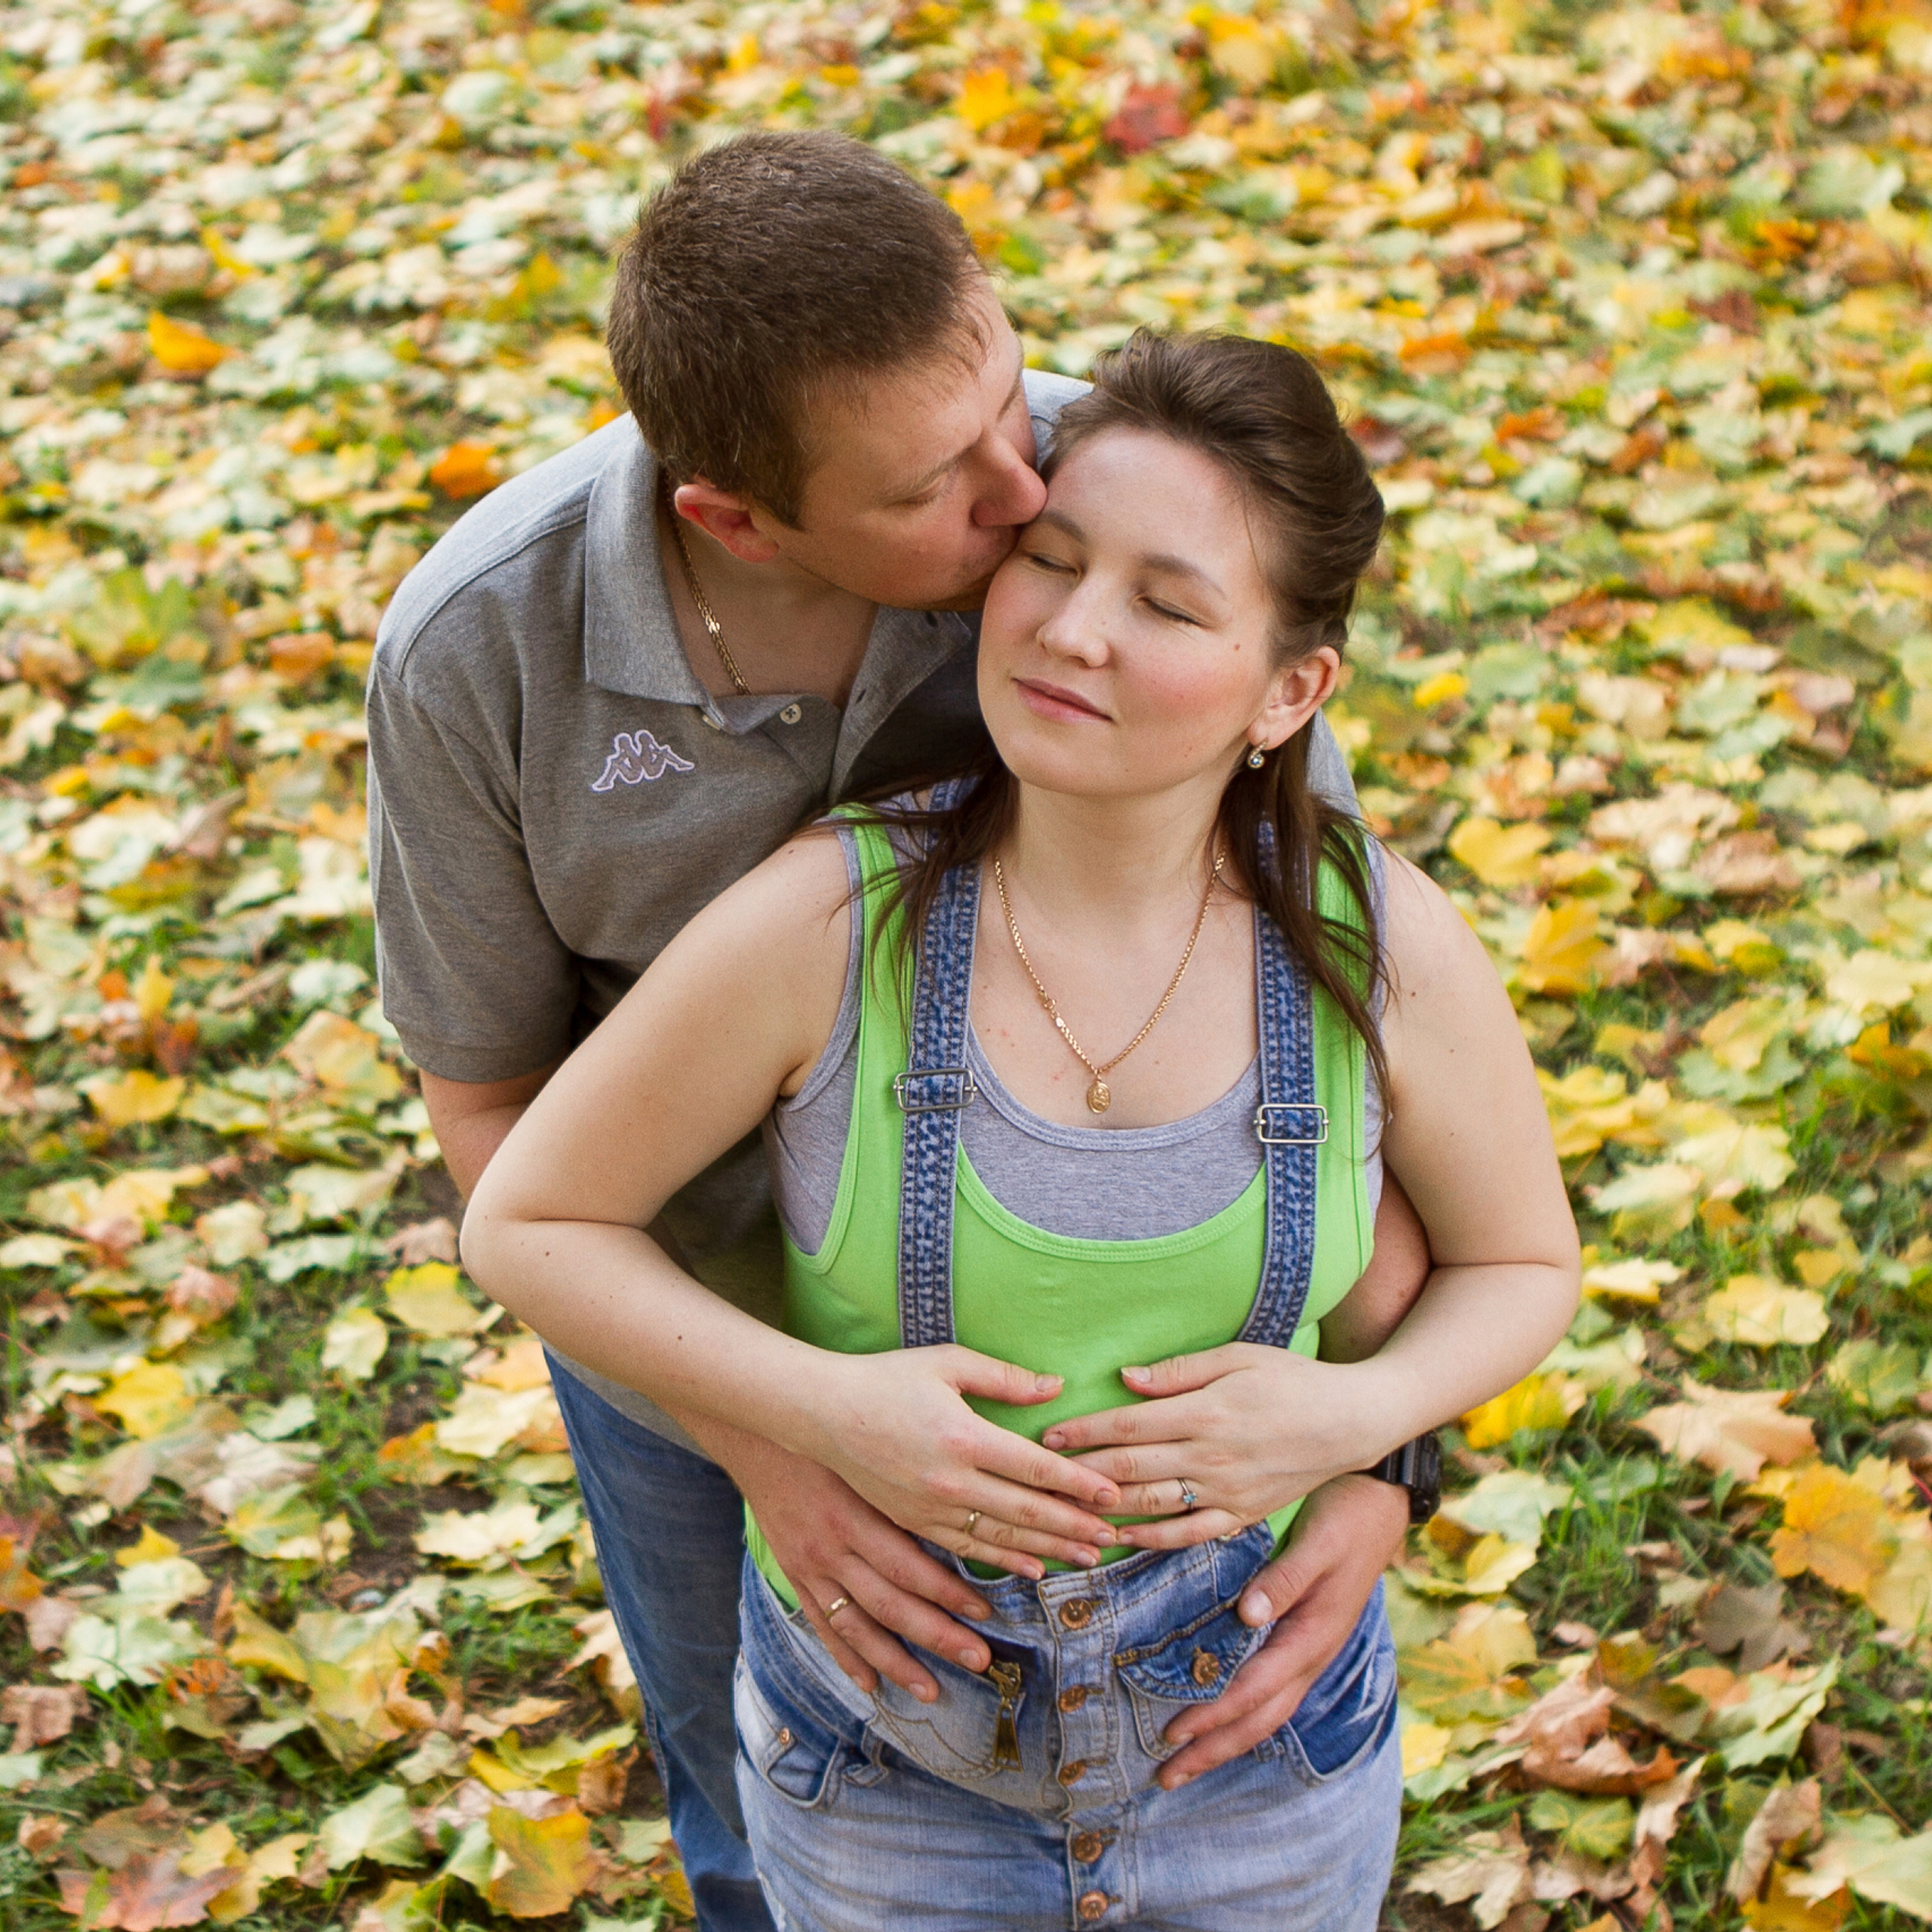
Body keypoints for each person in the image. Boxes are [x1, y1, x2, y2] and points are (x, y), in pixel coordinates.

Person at [368, 132, 1434, 1932]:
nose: (1026, 492)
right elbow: (489, 1110)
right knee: (761, 1785)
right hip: (681, 1312)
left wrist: (1378, 1455)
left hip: (1102, 1331)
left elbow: (1321, 1009)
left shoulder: (1098, 527)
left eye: (1015, 394)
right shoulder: (489, 652)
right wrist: (782, 1440)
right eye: (944, 486)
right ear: (734, 515)